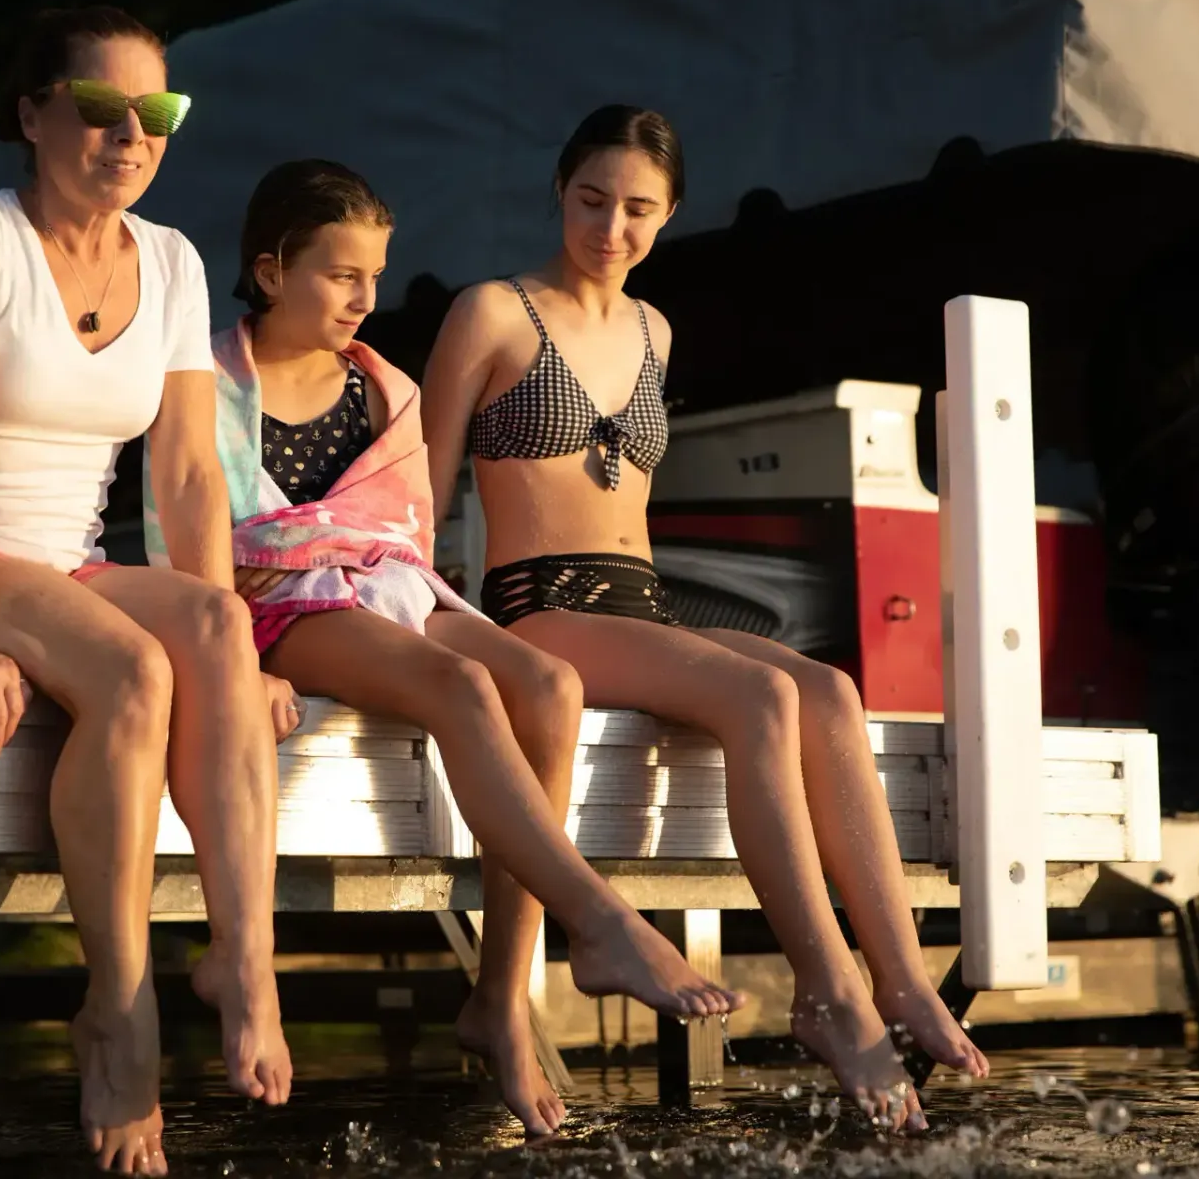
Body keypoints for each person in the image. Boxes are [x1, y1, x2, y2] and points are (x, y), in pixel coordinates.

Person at [142, 159, 743, 1135]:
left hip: (383, 585)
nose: (365, 299)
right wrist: (235, 665)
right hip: (270, 598)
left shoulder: (385, 388)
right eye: (340, 275)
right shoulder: (205, 381)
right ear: (268, 270)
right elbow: (188, 534)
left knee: (545, 682)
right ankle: (599, 918)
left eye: (374, 275)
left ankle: (500, 995)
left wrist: (398, 594)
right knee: (461, 684)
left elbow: (403, 537)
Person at [421, 106, 991, 1133]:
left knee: (829, 689)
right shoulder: (493, 311)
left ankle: (901, 977)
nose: (611, 226)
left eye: (639, 208)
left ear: (671, 212)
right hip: (540, 604)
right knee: (761, 690)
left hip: (636, 599)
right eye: (593, 199)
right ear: (561, 190)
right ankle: (828, 988)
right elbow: (416, 491)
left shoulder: (656, 331)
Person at [0, 6, 300, 1176]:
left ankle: (245, 962)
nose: (129, 137)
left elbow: (192, 475)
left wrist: (231, 667)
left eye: (157, 114)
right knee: (136, 673)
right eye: (100, 110)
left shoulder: (178, 260)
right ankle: (119, 1003)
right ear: (35, 112)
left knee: (212, 621)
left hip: (74, 560)